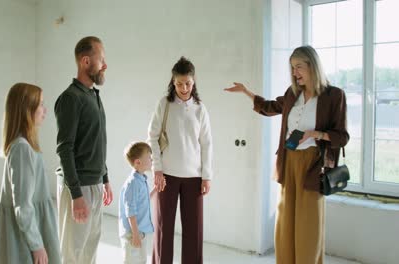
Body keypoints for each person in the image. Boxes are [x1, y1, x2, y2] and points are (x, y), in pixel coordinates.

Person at [224, 45, 349, 264]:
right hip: (289, 161)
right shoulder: (293, 94)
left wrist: (315, 134)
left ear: (313, 66)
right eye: (292, 68)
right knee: (286, 221)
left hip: (313, 165)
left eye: (299, 67)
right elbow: (270, 107)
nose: (294, 73)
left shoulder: (334, 96)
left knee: (308, 224)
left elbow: (342, 136)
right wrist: (246, 92)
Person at [147, 56, 213, 264]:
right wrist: (157, 169)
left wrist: (207, 176)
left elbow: (207, 144)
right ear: (173, 82)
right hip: (166, 175)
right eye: (179, 84)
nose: (184, 88)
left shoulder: (201, 109)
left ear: (194, 83)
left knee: (193, 231)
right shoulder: (164, 105)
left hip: (194, 178)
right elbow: (152, 137)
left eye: (188, 83)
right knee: (163, 229)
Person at [54, 36, 113, 264]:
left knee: (90, 248)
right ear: (85, 61)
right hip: (78, 187)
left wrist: (105, 178)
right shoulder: (70, 98)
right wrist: (76, 194)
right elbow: (64, 149)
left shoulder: (93, 96)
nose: (105, 65)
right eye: (101, 59)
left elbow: (97, 142)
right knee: (72, 252)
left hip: (95, 183)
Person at [0, 83, 61, 264]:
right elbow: (22, 205)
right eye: (40, 105)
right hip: (29, 232)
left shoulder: (23, 146)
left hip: (34, 226)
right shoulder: (22, 148)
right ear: (26, 110)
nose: (45, 110)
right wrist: (37, 244)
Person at [118, 142, 157, 264]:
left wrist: (155, 190)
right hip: (132, 233)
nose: (151, 160)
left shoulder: (141, 179)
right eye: (149, 158)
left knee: (141, 261)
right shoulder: (133, 183)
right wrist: (135, 234)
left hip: (140, 231)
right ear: (138, 162)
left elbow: (143, 200)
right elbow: (130, 211)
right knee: (131, 261)